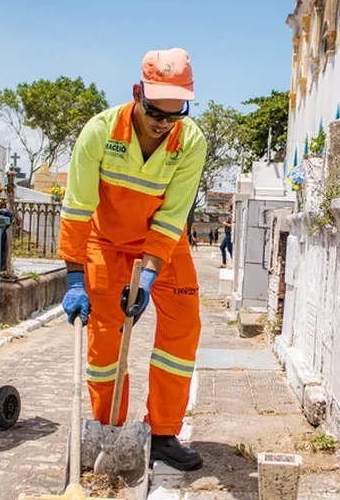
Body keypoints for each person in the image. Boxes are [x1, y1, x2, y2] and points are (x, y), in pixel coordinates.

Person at [59, 48, 206, 471]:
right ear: (137, 93)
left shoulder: (190, 141)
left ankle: (162, 433)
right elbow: (77, 208)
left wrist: (146, 278)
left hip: (164, 243)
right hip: (106, 243)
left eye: (173, 116)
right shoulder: (100, 132)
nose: (162, 124)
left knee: (183, 325)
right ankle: (109, 430)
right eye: (155, 112)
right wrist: (74, 278)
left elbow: (172, 216)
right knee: (106, 339)